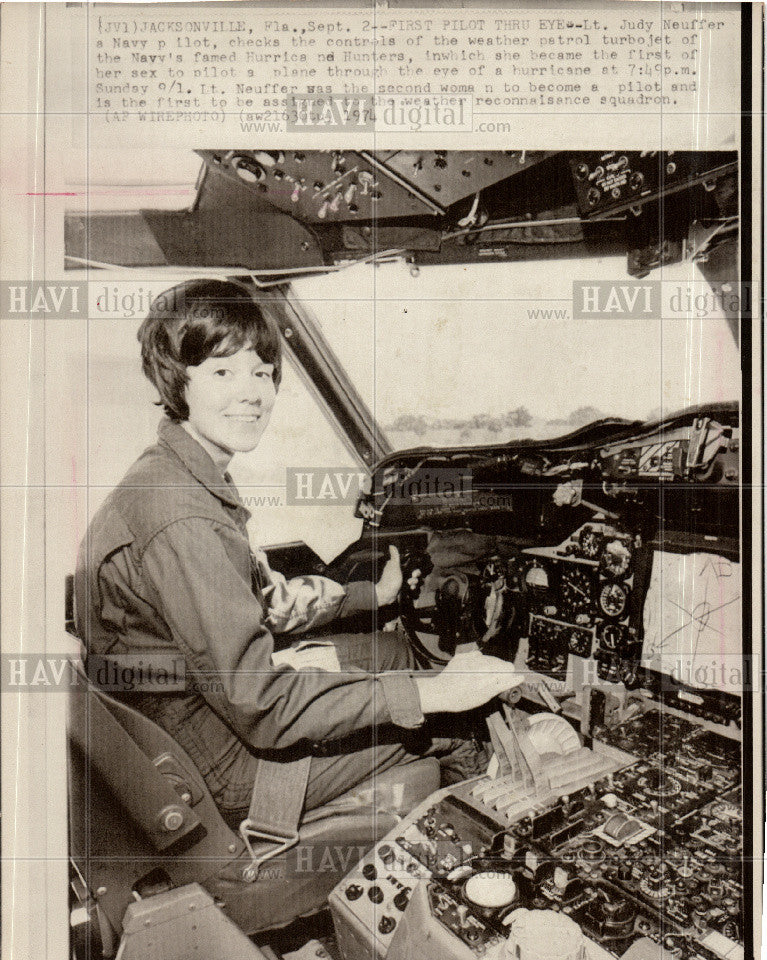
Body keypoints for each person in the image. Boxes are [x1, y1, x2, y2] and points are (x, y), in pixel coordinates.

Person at [74, 279, 523, 829]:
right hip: (225, 767)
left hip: (190, 724)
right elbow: (262, 707)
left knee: (394, 651)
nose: (252, 393)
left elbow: (256, 606)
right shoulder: (184, 519)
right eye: (223, 372)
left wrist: (369, 596)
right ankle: (490, 860)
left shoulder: (172, 476)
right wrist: (434, 697)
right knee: (456, 724)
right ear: (178, 381)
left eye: (262, 373)